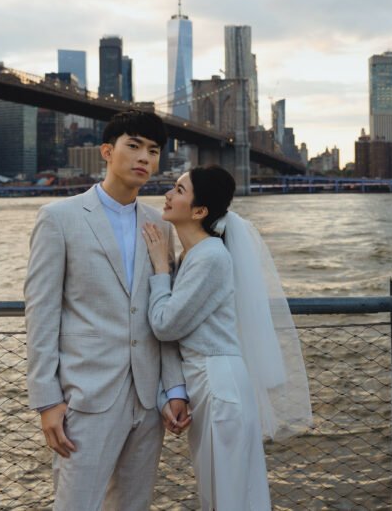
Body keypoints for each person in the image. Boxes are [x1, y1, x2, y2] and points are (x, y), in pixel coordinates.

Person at [24, 109, 190, 511]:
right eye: (133, 146)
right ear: (106, 151)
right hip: (86, 397)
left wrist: (174, 390)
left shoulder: (161, 225)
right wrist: (47, 401)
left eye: (153, 151)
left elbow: (162, 315)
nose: (144, 158)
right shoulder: (58, 219)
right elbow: (41, 313)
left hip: (148, 401)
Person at [143, 165, 312, 511]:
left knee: (231, 496)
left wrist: (160, 270)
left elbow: (165, 325)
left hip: (219, 385)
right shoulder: (193, 255)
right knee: (221, 493)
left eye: (178, 189)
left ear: (200, 211)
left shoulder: (211, 257)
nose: (168, 194)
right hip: (209, 381)